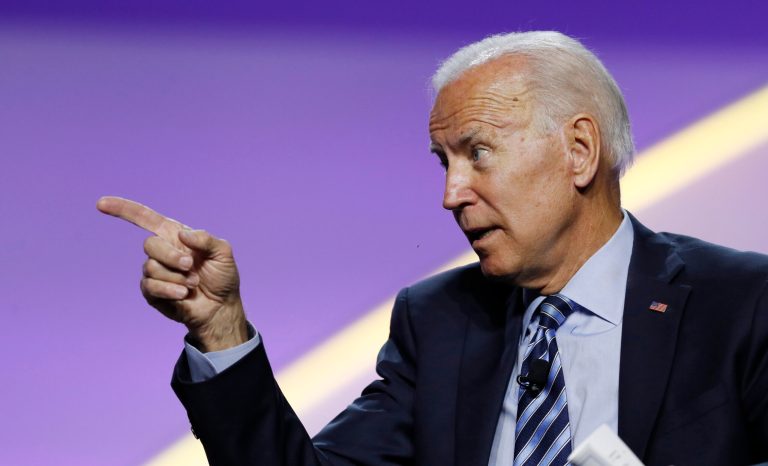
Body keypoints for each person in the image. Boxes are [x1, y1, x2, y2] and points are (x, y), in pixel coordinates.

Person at [97, 31, 768, 465]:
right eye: (442, 162)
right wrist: (221, 329)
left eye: (478, 154)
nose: (451, 194)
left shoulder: (740, 303)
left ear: (580, 151)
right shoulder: (440, 320)